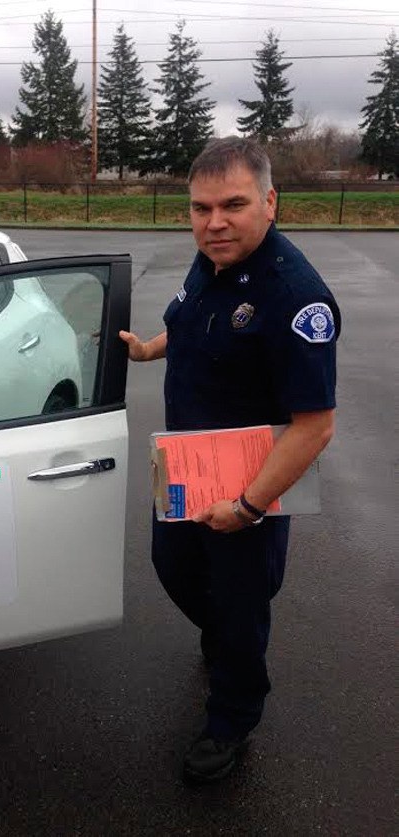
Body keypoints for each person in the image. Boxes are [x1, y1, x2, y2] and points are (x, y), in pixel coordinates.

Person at [120, 137, 341, 783]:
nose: (214, 221)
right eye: (200, 207)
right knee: (175, 567)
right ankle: (224, 640)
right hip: (186, 467)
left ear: (270, 202)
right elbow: (193, 325)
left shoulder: (296, 298)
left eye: (234, 205)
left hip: (251, 480)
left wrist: (246, 507)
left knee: (242, 603)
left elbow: (315, 426)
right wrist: (148, 350)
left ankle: (233, 717)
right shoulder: (208, 262)